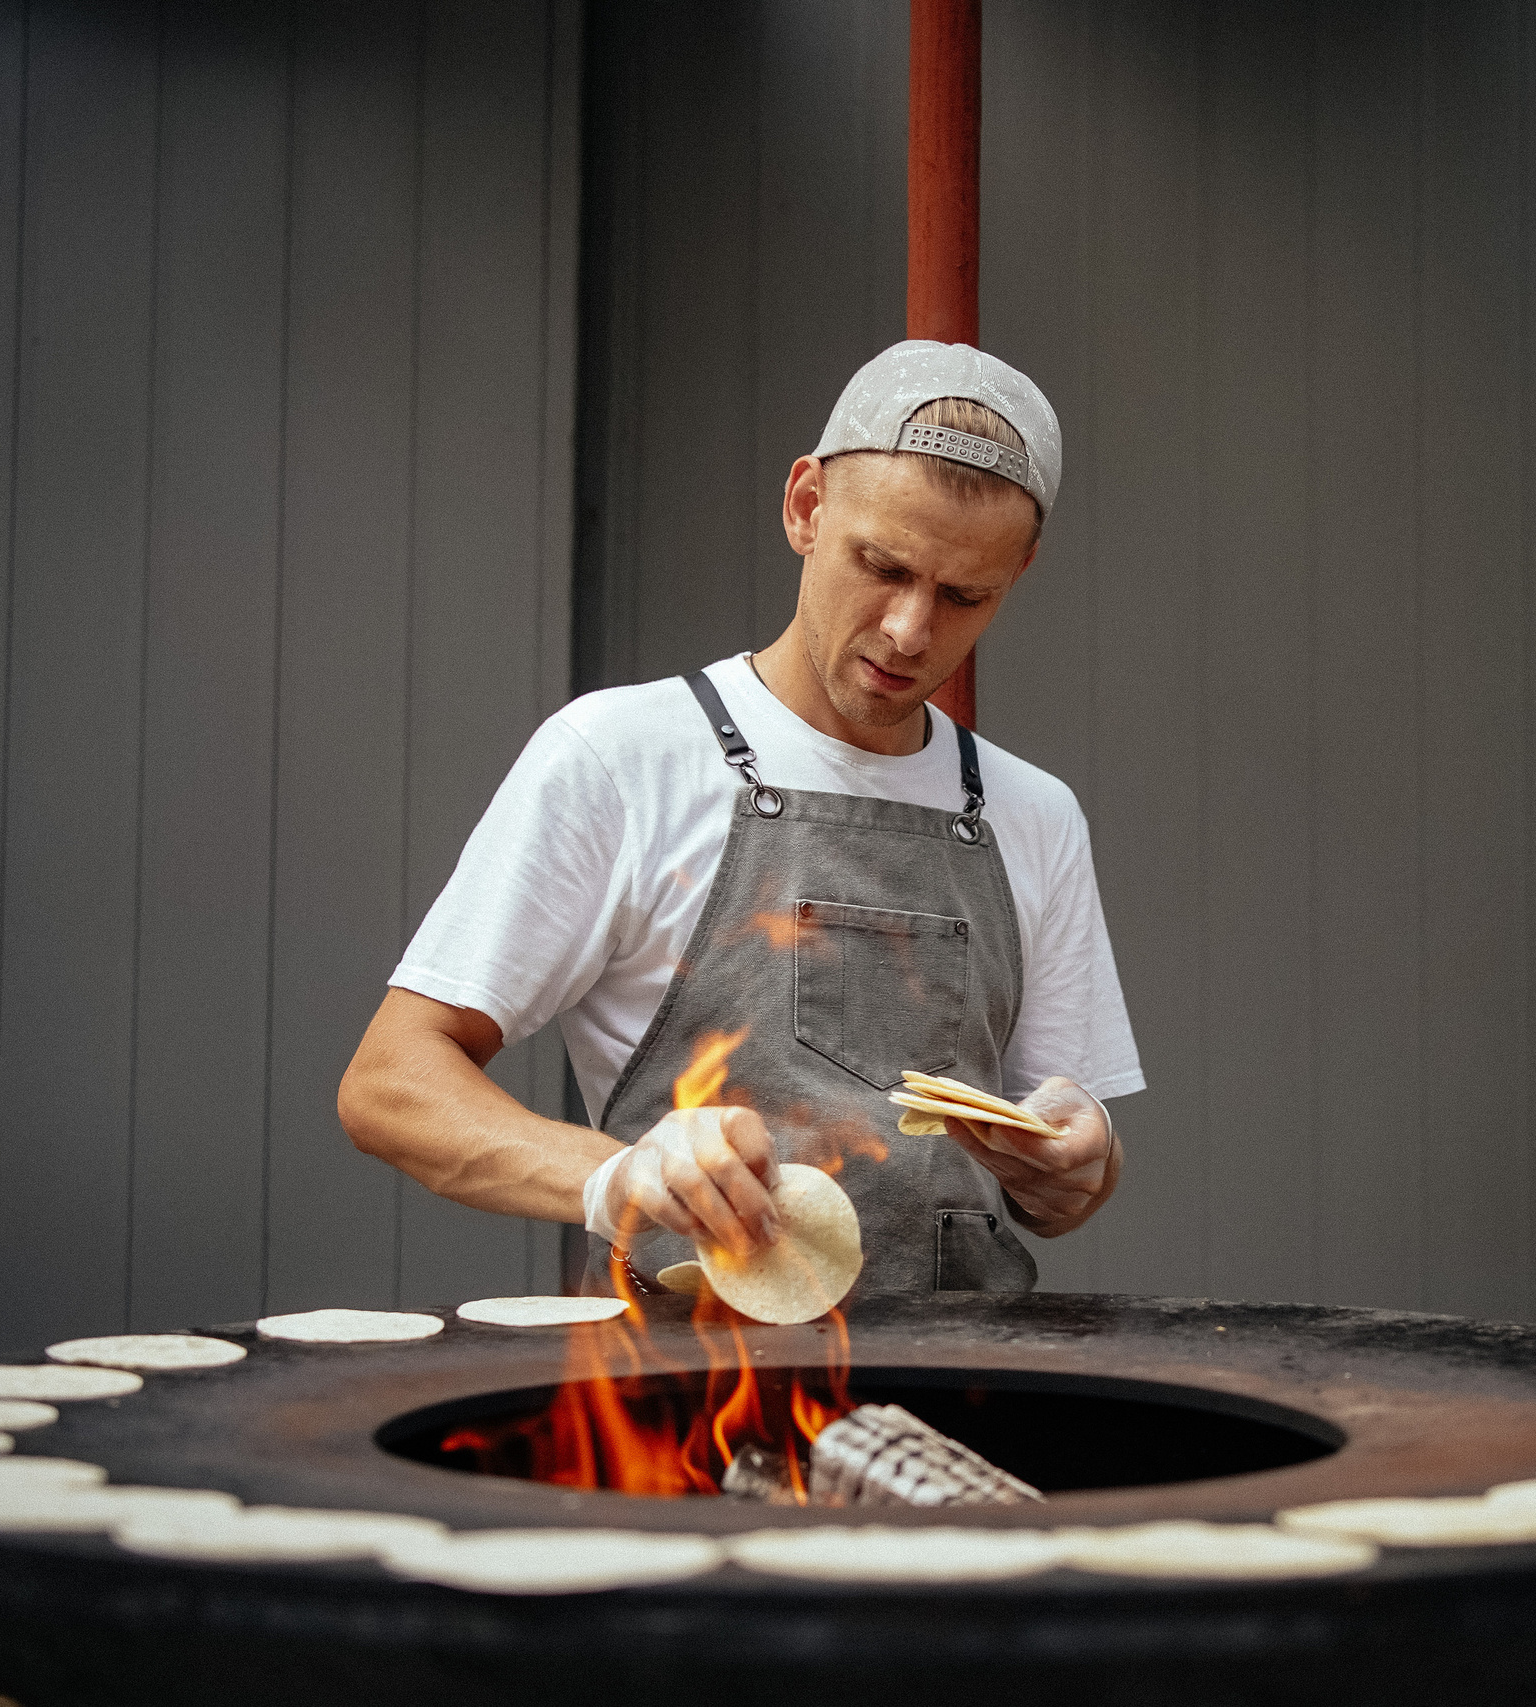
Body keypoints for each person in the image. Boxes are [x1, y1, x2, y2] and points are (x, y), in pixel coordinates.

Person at [338, 341, 1143, 1298]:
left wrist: (1080, 1164)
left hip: (960, 1394)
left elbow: (1061, 1191)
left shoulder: (1033, 815)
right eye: (882, 566)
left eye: (966, 595)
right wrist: (614, 1177)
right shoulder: (620, 756)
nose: (910, 630)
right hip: (685, 1404)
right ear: (806, 506)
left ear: (1018, 572)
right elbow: (389, 1084)